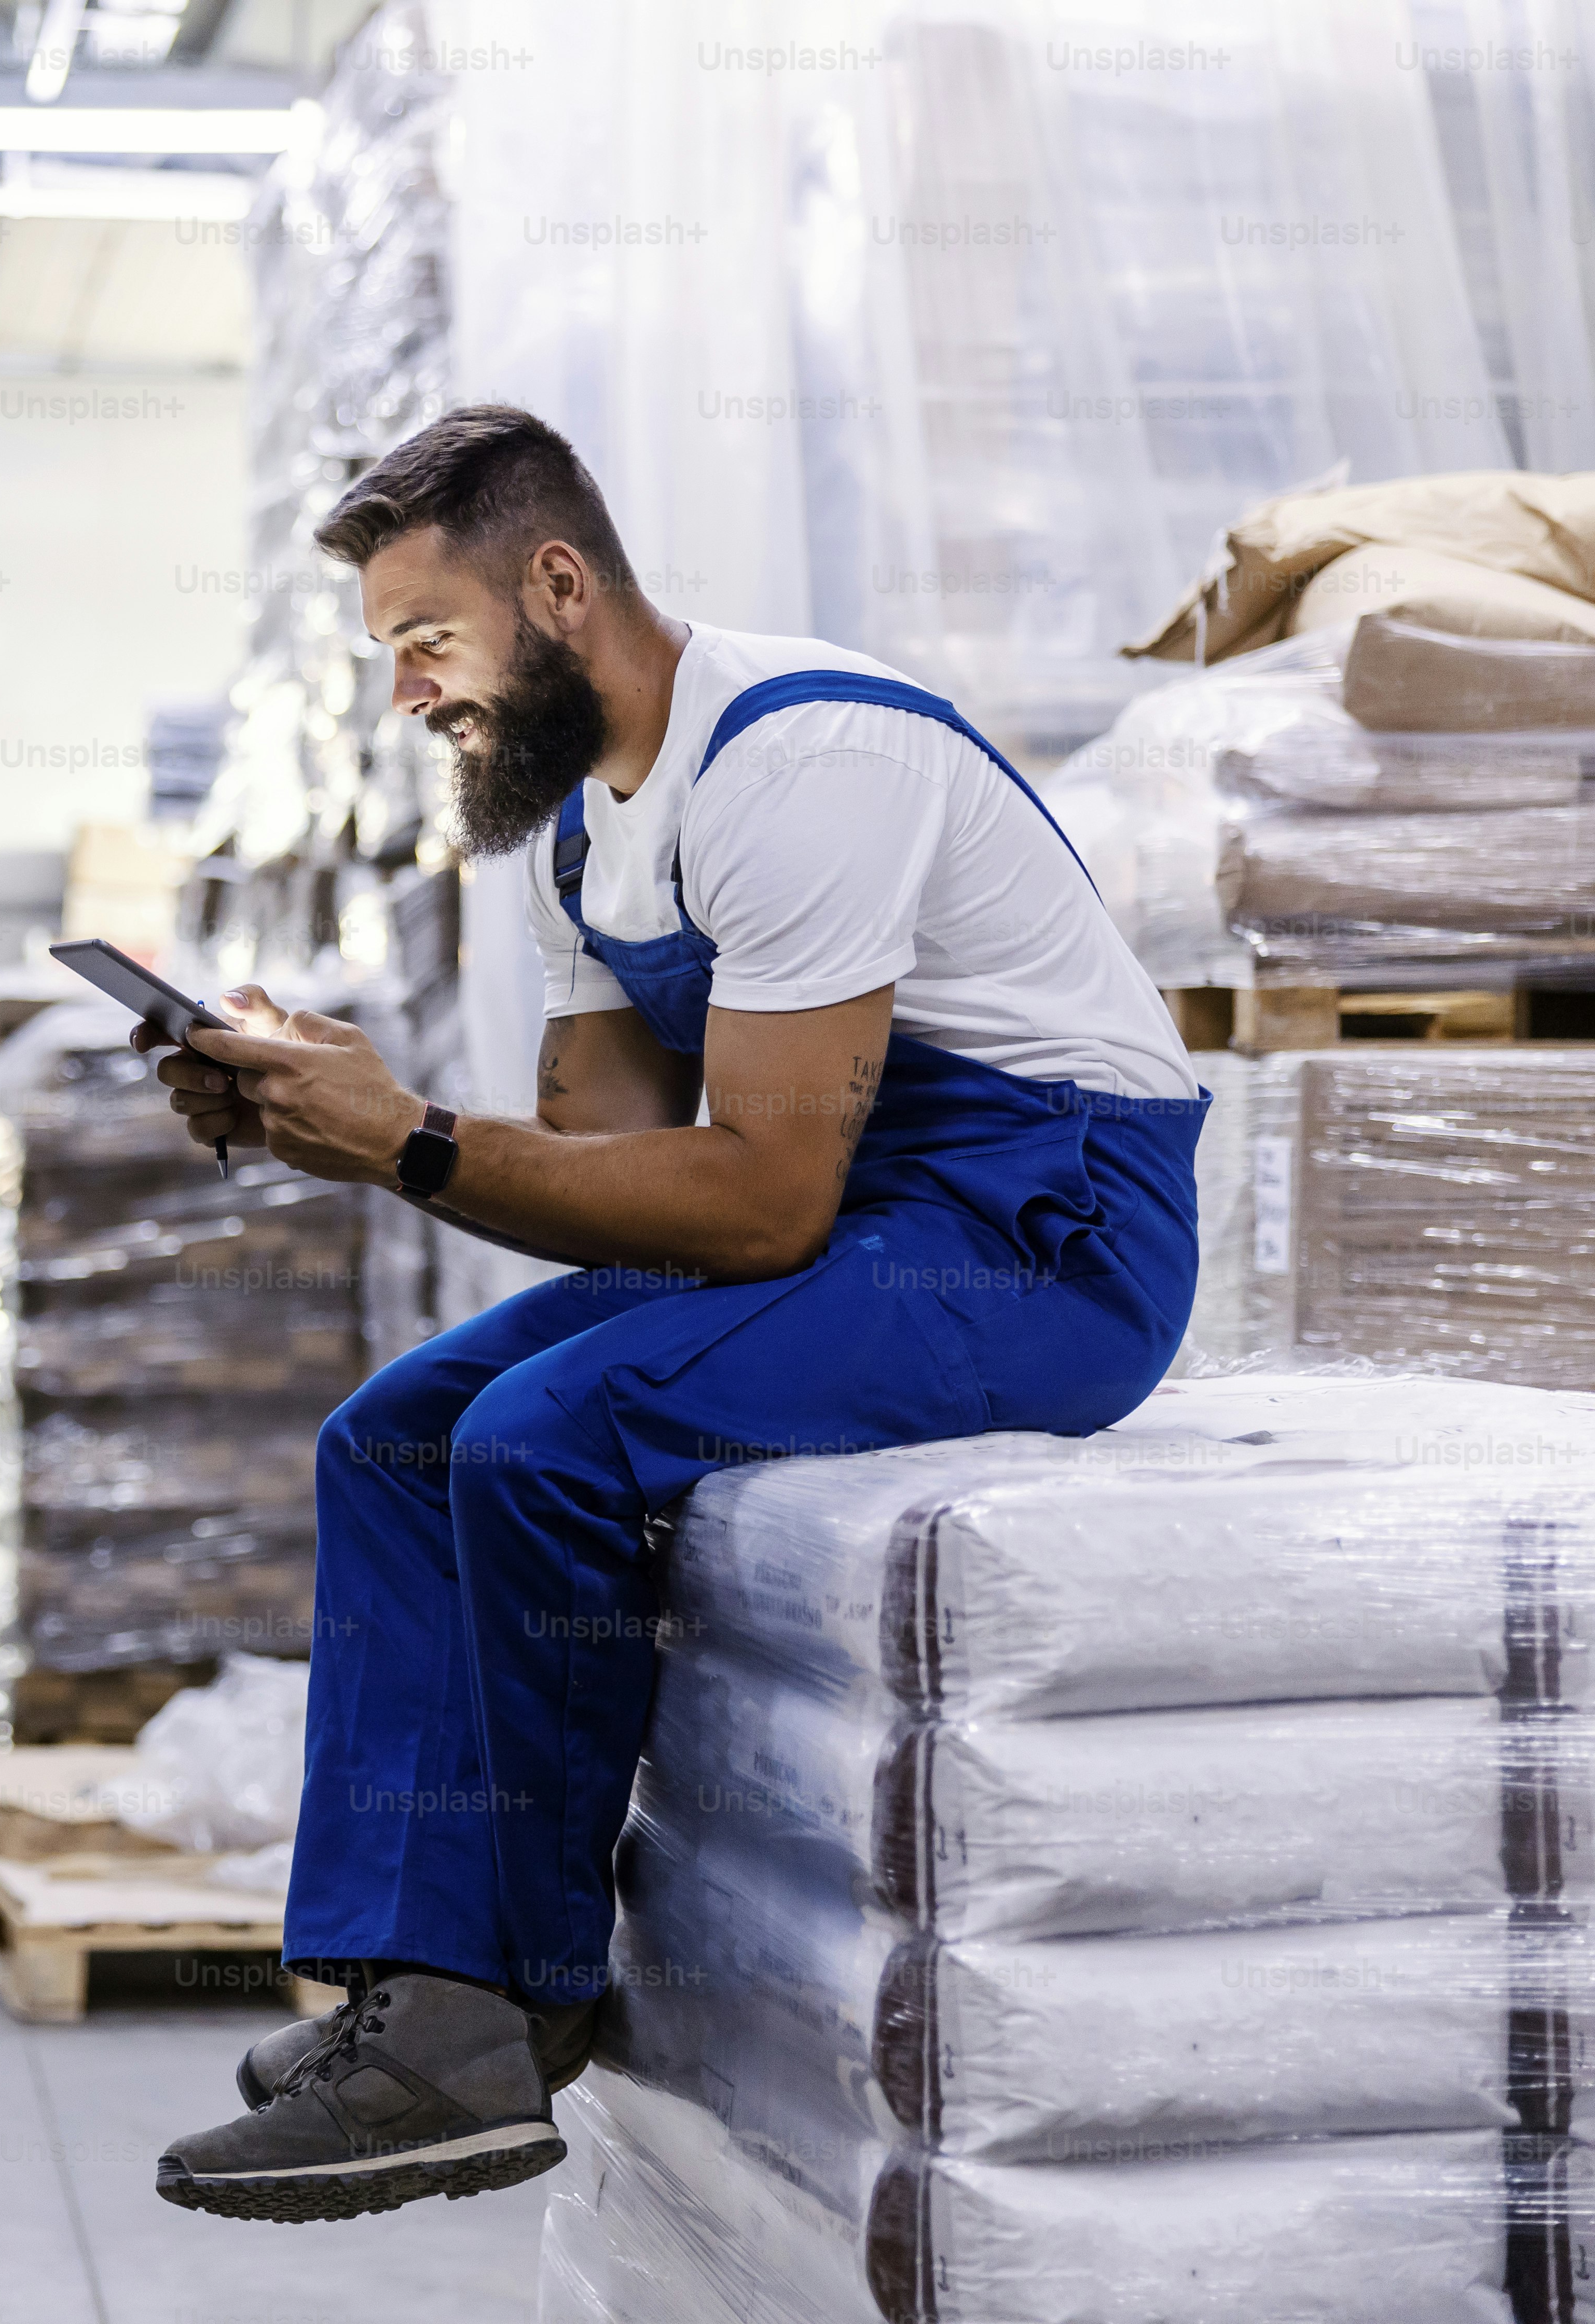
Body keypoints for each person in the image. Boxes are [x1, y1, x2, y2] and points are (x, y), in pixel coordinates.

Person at [140, 406, 1205, 2224]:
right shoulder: (578, 833)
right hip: (860, 1210)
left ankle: (513, 2007)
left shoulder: (804, 757)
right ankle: (423, 1986)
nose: (410, 697)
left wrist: (407, 1139)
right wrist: (349, 1121)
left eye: (429, 644)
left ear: (558, 586)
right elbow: (615, 1167)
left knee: (542, 1437)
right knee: (391, 1439)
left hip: (1043, 1229)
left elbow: (761, 1196)